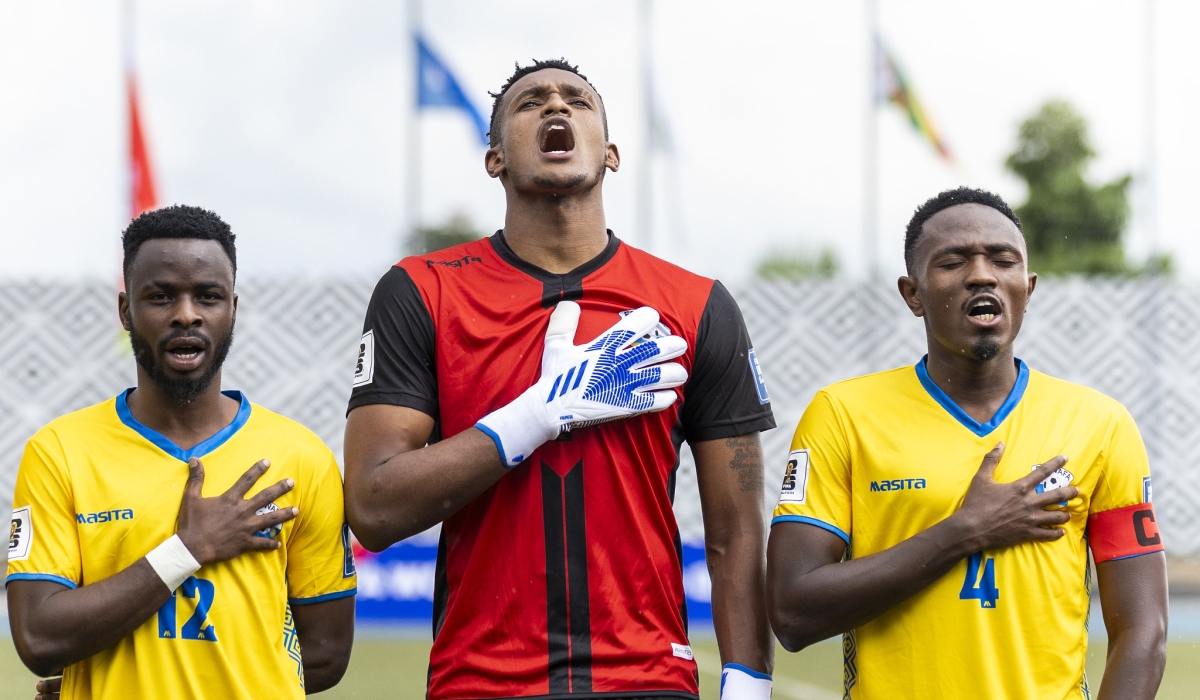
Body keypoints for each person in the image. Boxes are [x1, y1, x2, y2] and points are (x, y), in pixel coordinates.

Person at [344, 59, 776, 699]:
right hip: (480, 682)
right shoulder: (422, 291)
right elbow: (373, 508)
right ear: (494, 158)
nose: (556, 106)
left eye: (577, 99)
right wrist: (535, 415)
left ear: (612, 153)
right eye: (529, 103)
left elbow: (737, 529)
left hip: (647, 680)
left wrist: (748, 680)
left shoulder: (695, 304)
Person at [766, 187, 1168, 699]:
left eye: (1003, 261)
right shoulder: (843, 415)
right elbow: (793, 612)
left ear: (1028, 286)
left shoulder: (1102, 424)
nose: (982, 274)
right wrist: (964, 531)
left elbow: (1144, 631)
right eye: (953, 262)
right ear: (913, 294)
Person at [7, 206, 357, 700]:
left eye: (208, 296)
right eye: (161, 296)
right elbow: (39, 637)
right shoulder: (60, 451)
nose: (186, 313)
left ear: (232, 307)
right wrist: (188, 549)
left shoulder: (302, 457)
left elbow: (324, 655)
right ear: (126, 311)